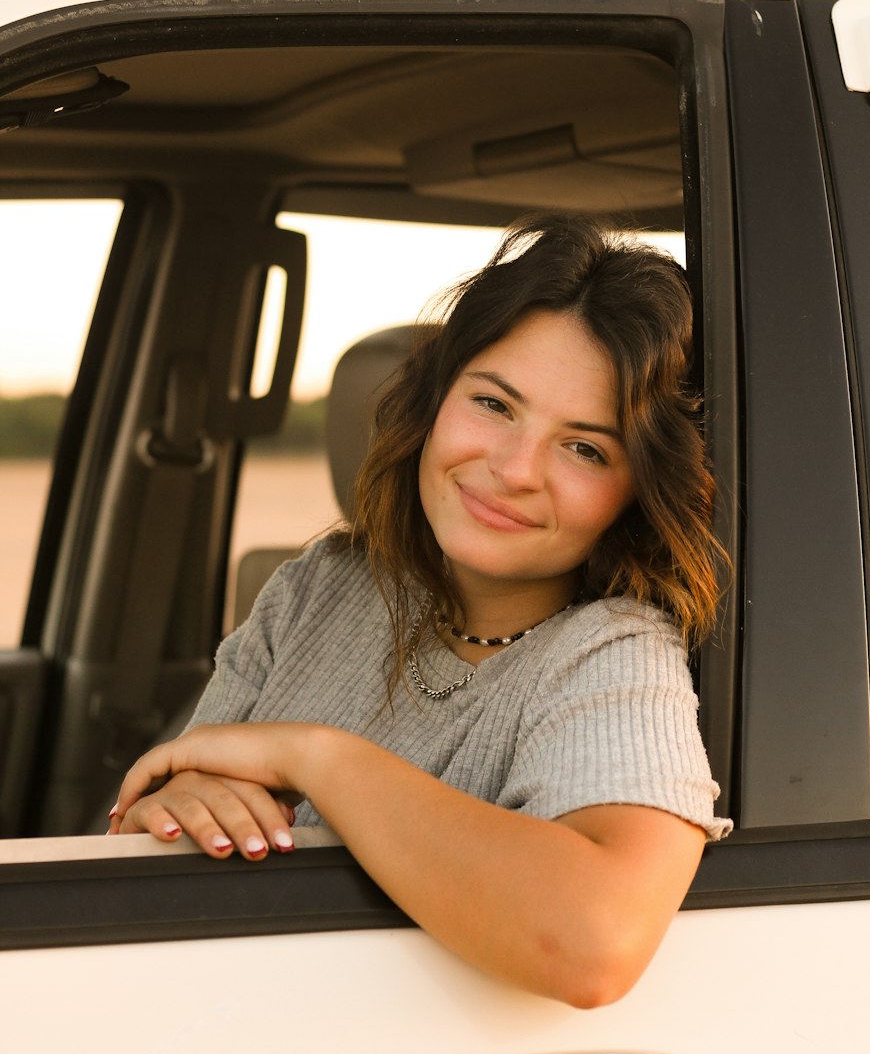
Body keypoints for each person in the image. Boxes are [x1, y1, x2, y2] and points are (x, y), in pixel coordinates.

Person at [108, 216, 731, 1007]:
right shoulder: (321, 587)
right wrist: (166, 817)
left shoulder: (611, 651)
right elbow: (172, 823)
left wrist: (317, 758)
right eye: (495, 404)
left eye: (585, 449)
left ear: (639, 487)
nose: (513, 470)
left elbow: (594, 942)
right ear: (434, 400)